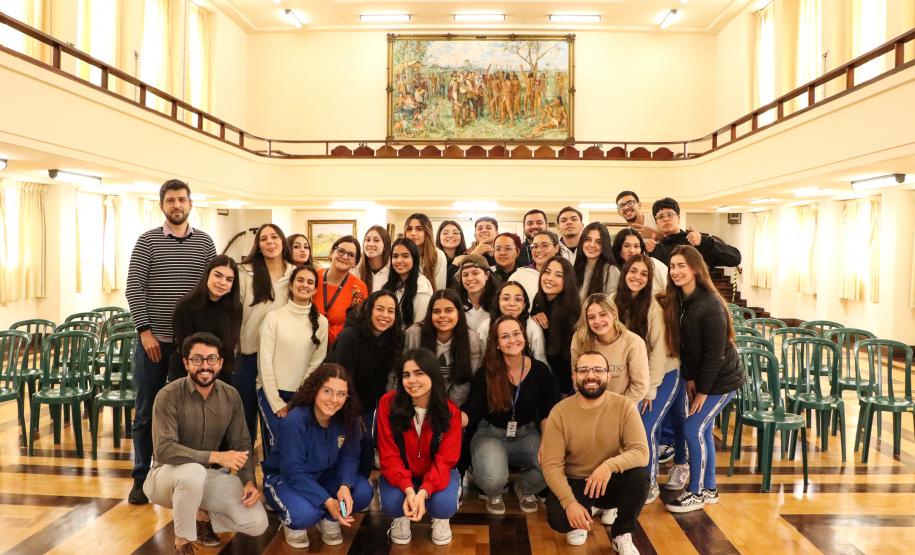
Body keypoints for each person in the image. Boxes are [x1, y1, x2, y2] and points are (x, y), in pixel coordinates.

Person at [126, 179, 216, 505]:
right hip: (152, 342)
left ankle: (180, 474)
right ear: (162, 205)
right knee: (145, 412)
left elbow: (211, 289)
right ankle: (142, 477)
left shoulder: (205, 243)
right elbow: (134, 287)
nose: (176, 205)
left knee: (185, 414)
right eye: (170, 200)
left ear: (190, 204)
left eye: (181, 199)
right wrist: (145, 331)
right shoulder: (147, 241)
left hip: (188, 347)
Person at [144, 332, 268, 553]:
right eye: (197, 359)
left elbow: (242, 444)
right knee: (193, 472)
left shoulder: (231, 396)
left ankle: (201, 514)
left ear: (220, 363)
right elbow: (164, 450)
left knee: (257, 523)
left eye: (211, 359)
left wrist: (249, 481)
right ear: (186, 363)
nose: (205, 366)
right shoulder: (168, 395)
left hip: (205, 477)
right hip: (164, 476)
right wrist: (216, 456)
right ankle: (183, 541)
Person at [663, 245, 745, 513]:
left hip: (721, 380)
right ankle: (709, 488)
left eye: (681, 266)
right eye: (672, 266)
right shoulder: (681, 300)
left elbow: (714, 355)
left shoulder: (710, 304)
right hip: (702, 378)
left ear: (696, 269)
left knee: (692, 428)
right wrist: (689, 378)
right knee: (703, 429)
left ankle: (696, 492)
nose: (675, 271)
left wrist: (703, 391)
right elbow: (686, 347)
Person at [540, 351, 649, 551]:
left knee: (639, 477)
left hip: (609, 479)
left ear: (608, 375)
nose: (591, 375)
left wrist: (608, 466)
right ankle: (580, 519)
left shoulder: (624, 406)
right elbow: (551, 464)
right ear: (574, 376)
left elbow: (641, 452)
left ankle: (622, 533)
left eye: (598, 370)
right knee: (559, 518)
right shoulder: (560, 412)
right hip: (576, 481)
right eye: (583, 370)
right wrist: (570, 503)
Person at [263, 364, 373, 548]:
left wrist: (345, 485)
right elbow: (293, 471)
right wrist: (327, 500)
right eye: (327, 391)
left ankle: (329, 518)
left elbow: (350, 456)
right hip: (286, 479)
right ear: (315, 390)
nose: (334, 399)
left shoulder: (349, 417)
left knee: (362, 492)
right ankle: (294, 521)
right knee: (305, 515)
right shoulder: (295, 420)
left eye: (341, 394)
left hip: (326, 476)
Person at [465, 316, 560, 514]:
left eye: (516, 334)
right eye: (505, 336)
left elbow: (547, 413)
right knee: (492, 478)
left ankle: (525, 488)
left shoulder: (540, 371)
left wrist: (547, 444)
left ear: (524, 337)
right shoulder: (486, 373)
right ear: (497, 344)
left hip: (526, 434)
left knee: (553, 463)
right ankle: (493, 491)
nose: (512, 340)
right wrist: (449, 418)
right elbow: (472, 411)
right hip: (491, 434)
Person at [377, 349, 463, 546]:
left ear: (433, 375)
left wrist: (424, 490)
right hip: (401, 473)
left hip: (435, 473)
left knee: (443, 505)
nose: (412, 380)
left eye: (419, 373)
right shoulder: (387, 404)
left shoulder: (451, 411)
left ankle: (441, 520)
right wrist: (408, 489)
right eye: (406, 375)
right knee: (392, 503)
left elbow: (446, 460)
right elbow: (388, 455)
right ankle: (400, 519)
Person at [613, 255, 680, 504]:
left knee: (645, 425)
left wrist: (649, 391)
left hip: (664, 373)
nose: (637, 277)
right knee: (634, 428)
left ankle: (649, 484)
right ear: (624, 273)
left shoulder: (654, 306)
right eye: (633, 271)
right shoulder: (612, 301)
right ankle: (627, 479)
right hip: (633, 376)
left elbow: (659, 353)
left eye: (644, 274)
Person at [329, 290, 405, 476]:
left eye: (390, 311)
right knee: (355, 439)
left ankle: (361, 481)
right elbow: (340, 379)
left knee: (369, 442)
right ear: (369, 309)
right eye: (379, 309)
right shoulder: (350, 336)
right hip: (343, 399)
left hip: (374, 403)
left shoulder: (395, 337)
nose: (385, 315)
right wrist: (355, 412)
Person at [257, 265, 329, 456]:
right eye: (300, 280)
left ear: (315, 289)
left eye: (310, 282)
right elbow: (264, 361)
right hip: (271, 392)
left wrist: (300, 397)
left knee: (299, 443)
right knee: (278, 443)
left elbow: (316, 362)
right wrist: (276, 401)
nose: (304, 285)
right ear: (290, 285)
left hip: (302, 393)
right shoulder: (273, 318)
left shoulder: (322, 322)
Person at [237, 223, 296, 447]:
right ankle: (245, 465)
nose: (270, 242)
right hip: (248, 354)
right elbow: (236, 313)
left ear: (283, 241)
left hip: (279, 360)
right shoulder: (245, 273)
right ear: (258, 246)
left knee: (274, 417)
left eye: (274, 237)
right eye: (264, 239)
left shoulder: (294, 274)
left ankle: (272, 465)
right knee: (245, 415)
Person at [404, 289, 482, 407]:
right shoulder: (414, 334)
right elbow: (401, 372)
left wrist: (446, 408)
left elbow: (465, 381)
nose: (442, 315)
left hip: (452, 405)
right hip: (414, 400)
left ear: (459, 313)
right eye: (436, 311)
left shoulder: (471, 338)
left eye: (449, 310)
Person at [169, 255, 241, 382]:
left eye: (229, 279)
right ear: (207, 275)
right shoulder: (185, 306)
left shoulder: (235, 308)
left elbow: (229, 347)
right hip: (187, 373)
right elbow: (185, 348)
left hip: (220, 373)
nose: (223, 282)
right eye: (218, 275)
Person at [571, 293, 649, 403]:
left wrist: (615, 408)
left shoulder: (634, 343)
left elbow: (640, 386)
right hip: (590, 402)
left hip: (624, 404)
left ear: (614, 314)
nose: (597, 321)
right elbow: (577, 378)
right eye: (591, 317)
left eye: (603, 314)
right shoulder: (579, 339)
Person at [530, 256, 581, 394]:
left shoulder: (570, 311)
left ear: (568, 281)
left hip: (562, 380)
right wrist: (533, 317)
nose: (550, 278)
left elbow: (566, 358)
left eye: (558, 275)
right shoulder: (539, 298)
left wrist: (564, 393)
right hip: (542, 370)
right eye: (547, 272)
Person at [650, 198, 742, 268]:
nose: (665, 219)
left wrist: (704, 241)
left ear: (678, 218)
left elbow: (735, 258)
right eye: (660, 216)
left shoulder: (695, 241)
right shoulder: (655, 250)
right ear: (656, 222)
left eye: (669, 214)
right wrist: (647, 252)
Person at [477, 280, 548, 367]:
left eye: (518, 299)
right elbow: (484, 358)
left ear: (524, 305)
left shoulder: (532, 327)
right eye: (506, 299)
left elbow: (540, 359)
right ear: (498, 302)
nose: (511, 303)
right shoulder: (486, 326)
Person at [314, 235, 369, 345]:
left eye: (351, 255)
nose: (344, 257)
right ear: (331, 253)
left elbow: (355, 323)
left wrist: (325, 336)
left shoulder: (359, 288)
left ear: (355, 262)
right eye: (341, 251)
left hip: (338, 345)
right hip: (306, 341)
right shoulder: (313, 278)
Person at [383, 238, 433, 326]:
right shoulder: (389, 282)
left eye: (405, 256)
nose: (399, 260)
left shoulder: (422, 287)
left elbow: (419, 325)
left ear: (414, 259)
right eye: (395, 256)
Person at [509, 229, 564, 302]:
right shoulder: (519, 276)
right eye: (535, 246)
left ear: (556, 248)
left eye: (544, 245)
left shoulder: (566, 273)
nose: (538, 250)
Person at [611, 229, 668, 295]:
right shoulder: (613, 270)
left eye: (636, 246)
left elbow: (670, 288)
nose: (632, 251)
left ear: (641, 248)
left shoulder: (653, 264)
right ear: (618, 249)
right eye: (626, 246)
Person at [453, 254, 498, 332]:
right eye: (465, 275)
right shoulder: (455, 303)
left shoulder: (499, 302)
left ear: (487, 275)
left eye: (475, 273)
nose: (470, 278)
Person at [574, 222, 617, 302]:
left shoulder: (611, 270)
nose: (592, 245)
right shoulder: (575, 268)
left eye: (599, 242)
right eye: (588, 239)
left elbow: (612, 306)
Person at [404, 213, 447, 290]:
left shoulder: (438, 255)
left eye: (419, 229)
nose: (413, 233)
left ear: (427, 232)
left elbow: (440, 289)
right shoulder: (399, 254)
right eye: (409, 229)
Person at [355, 225, 391, 293]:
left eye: (376, 240)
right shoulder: (355, 269)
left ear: (385, 246)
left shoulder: (393, 270)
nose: (370, 244)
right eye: (368, 240)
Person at [435, 220, 467, 289]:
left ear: (461, 237)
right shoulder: (433, 258)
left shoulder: (465, 257)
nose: (451, 236)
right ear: (439, 237)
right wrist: (454, 264)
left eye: (455, 233)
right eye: (445, 233)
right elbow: (439, 284)